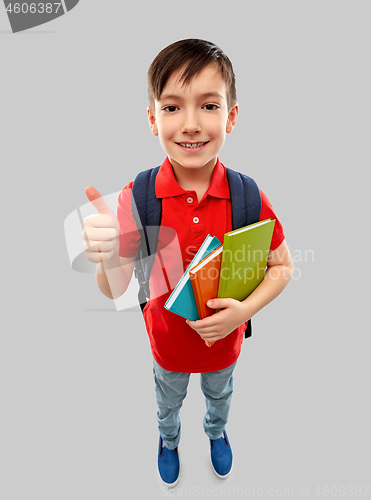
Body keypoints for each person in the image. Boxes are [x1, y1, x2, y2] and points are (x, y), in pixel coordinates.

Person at [82, 38, 294, 488]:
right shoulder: (136, 197)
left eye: (209, 105)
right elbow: (115, 289)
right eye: (173, 107)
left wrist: (244, 312)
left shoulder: (248, 196)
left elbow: (283, 267)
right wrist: (108, 256)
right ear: (152, 118)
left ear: (231, 116)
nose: (191, 124)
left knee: (220, 396)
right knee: (167, 399)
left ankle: (216, 433)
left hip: (225, 346)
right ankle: (169, 439)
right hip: (166, 348)